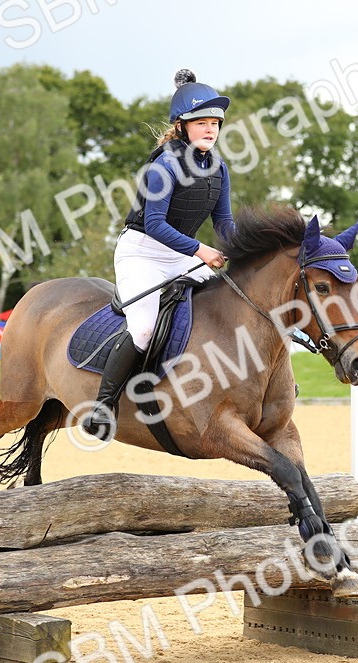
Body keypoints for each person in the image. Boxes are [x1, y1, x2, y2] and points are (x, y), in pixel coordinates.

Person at [82, 69, 236, 440]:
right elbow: (154, 224)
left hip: (182, 253)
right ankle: (103, 406)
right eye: (201, 123)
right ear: (182, 126)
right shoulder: (164, 166)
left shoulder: (219, 169)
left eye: (214, 123)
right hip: (143, 252)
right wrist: (201, 250)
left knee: (231, 300)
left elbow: (224, 223)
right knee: (144, 327)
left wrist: (246, 250)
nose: (210, 129)